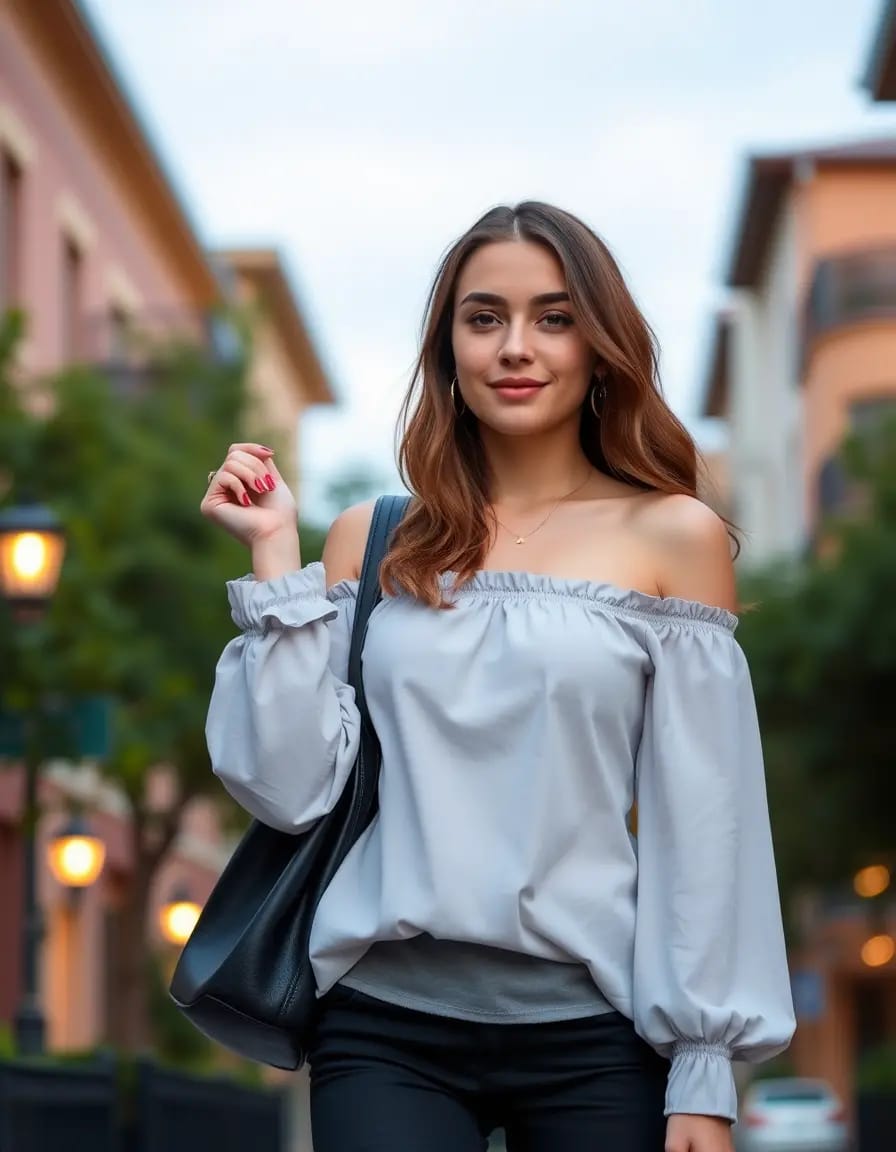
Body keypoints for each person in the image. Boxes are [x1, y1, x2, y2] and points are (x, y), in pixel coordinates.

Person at [200, 201, 795, 1152]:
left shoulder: (673, 535)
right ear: (449, 349)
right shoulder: (374, 537)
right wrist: (277, 559)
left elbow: (706, 823)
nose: (517, 346)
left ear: (601, 346)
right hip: (384, 1025)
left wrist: (704, 1070)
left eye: (554, 318)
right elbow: (288, 788)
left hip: (600, 1031)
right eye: (485, 319)